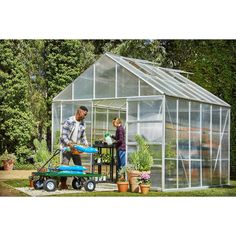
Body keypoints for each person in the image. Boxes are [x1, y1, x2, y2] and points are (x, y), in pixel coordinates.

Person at [59, 105, 88, 189]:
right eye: (84, 114)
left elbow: (83, 135)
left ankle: (80, 182)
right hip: (67, 146)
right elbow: (63, 136)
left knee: (78, 165)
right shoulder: (69, 121)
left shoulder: (82, 123)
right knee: (65, 164)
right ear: (79, 112)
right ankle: (63, 184)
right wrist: (70, 144)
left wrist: (85, 143)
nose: (85, 116)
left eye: (86, 115)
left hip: (76, 147)